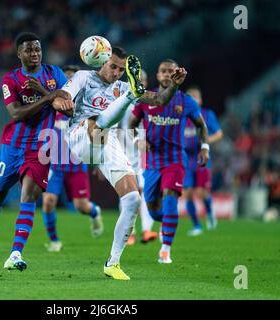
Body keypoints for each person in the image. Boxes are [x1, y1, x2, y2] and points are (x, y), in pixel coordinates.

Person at [52, 48, 187, 279]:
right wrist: (61, 103)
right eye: (113, 66)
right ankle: (130, 98)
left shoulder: (122, 85)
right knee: (97, 125)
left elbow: (159, 99)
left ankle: (113, 263)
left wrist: (173, 85)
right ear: (102, 62)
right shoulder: (84, 77)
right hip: (80, 136)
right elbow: (61, 97)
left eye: (121, 70)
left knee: (133, 198)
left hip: (107, 143)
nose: (116, 73)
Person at [0, 32, 72, 271]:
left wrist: (45, 90)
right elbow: (16, 114)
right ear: (19, 54)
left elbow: (68, 108)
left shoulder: (53, 74)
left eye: (37, 49)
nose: (34, 53)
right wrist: (49, 97)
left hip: (41, 146)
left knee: (29, 196)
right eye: (28, 50)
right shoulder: (10, 79)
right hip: (12, 146)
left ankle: (16, 253)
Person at [128, 59, 209, 264]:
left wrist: (205, 148)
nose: (167, 74)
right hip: (152, 161)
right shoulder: (147, 99)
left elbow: (201, 125)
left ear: (176, 75)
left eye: (171, 71)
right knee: (154, 211)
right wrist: (139, 139)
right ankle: (167, 224)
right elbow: (131, 124)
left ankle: (165, 250)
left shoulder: (186, 101)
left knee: (170, 196)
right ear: (157, 75)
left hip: (175, 160)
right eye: (163, 71)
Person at [41, 65, 103, 253]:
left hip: (77, 164)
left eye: (71, 80)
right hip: (55, 164)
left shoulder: (87, 106)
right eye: (66, 80)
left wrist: (100, 161)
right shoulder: (54, 105)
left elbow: (99, 133)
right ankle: (54, 240)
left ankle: (94, 212)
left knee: (81, 207)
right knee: (48, 201)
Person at [120, 69, 158, 245]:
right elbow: (119, 128)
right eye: (137, 79)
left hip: (146, 155)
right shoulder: (123, 102)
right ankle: (130, 233)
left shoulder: (151, 103)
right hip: (126, 152)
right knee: (128, 192)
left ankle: (147, 230)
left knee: (146, 191)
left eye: (142, 79)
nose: (140, 82)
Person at [183, 85, 223, 235]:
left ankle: (210, 212)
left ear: (200, 100)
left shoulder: (207, 115)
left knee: (201, 192)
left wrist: (205, 141)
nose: (192, 100)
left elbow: (219, 133)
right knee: (186, 193)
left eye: (195, 97)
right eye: (189, 97)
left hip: (202, 159)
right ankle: (197, 226)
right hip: (186, 160)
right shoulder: (181, 116)